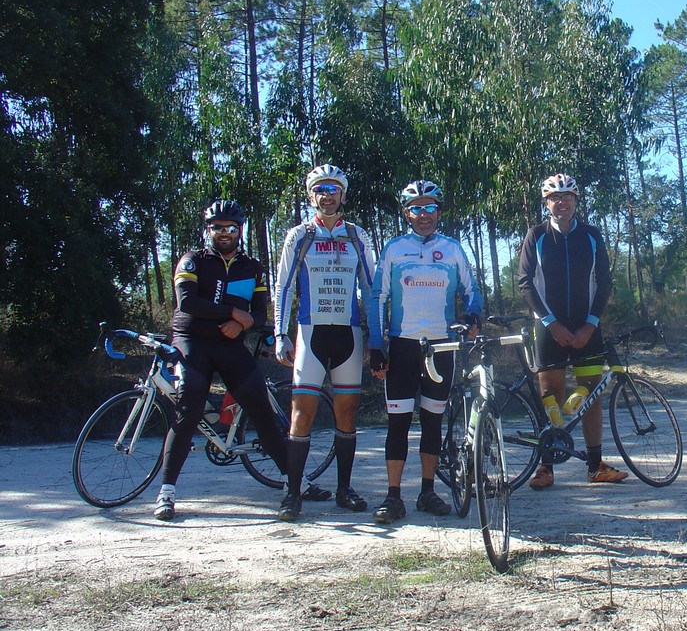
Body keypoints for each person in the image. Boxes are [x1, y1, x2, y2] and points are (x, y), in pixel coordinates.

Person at [154, 200, 329, 520]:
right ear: (208, 230)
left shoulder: (252, 268)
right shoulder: (192, 260)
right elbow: (187, 302)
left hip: (230, 344)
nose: (224, 233)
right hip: (192, 341)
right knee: (189, 406)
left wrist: (244, 323)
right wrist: (234, 313)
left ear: (240, 230)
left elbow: (259, 312)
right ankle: (166, 492)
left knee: (263, 412)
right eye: (217, 227)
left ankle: (296, 483)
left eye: (231, 228)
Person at [367, 180, 483, 525]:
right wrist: (376, 345)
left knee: (433, 420)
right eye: (416, 208)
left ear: (439, 212)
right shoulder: (393, 248)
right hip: (402, 345)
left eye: (430, 207)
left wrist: (473, 315)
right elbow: (378, 297)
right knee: (398, 422)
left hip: (441, 346)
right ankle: (393, 496)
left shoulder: (452, 249)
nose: (423, 214)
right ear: (407, 214)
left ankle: (427, 491)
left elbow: (472, 289)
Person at [273, 165, 376, 521]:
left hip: (349, 333)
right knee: (301, 414)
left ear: (342, 195)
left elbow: (371, 288)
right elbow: (284, 286)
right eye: (320, 189)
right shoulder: (299, 236)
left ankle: (344, 489)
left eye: (333, 189)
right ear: (311, 196)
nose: (327, 195)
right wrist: (280, 334)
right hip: (310, 333)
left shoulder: (357, 235)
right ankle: (293, 493)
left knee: (347, 412)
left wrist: (377, 337)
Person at [519, 173, 627, 489]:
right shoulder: (536, 235)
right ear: (546, 203)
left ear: (576, 200)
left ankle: (595, 466)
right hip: (547, 328)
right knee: (550, 396)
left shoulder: (591, 235)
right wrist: (551, 324)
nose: (562, 202)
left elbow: (604, 282)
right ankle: (546, 467)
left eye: (567, 196)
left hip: (586, 327)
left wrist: (590, 324)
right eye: (555, 197)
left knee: (590, 395)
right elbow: (525, 283)